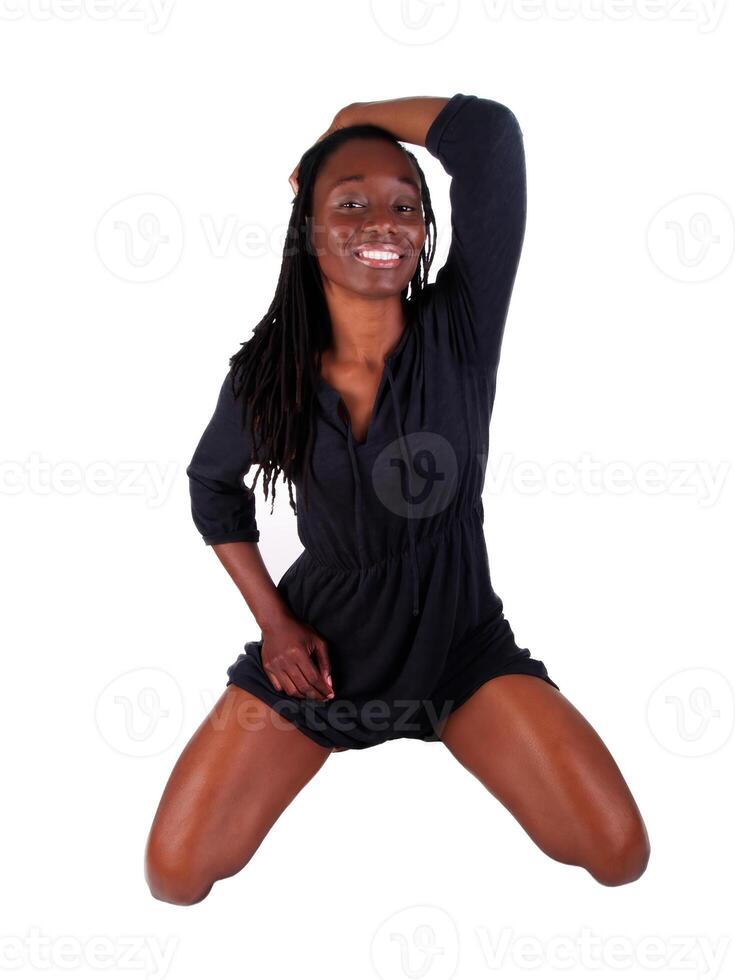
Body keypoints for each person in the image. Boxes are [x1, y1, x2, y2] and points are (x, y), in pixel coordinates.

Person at [144, 94, 650, 905]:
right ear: (305, 229)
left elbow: (486, 136)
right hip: (320, 666)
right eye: (348, 201)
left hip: (459, 655)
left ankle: (450, 723)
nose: (382, 220)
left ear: (424, 232)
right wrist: (275, 625)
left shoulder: (462, 328)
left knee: (618, 854)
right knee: (175, 876)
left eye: (404, 204)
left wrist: (349, 117)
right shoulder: (267, 376)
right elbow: (212, 487)